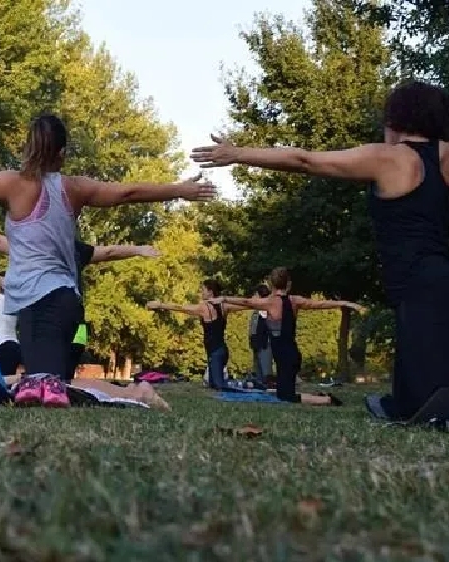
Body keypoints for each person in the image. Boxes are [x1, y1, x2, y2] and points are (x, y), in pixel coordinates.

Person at [0, 113, 207, 403]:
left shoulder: (14, 185)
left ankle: (136, 394)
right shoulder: (74, 187)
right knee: (45, 384)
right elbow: (127, 192)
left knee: (48, 387)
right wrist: (179, 189)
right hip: (63, 302)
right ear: (61, 153)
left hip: (43, 303)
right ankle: (131, 392)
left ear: (29, 147)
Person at [191, 80, 449, 420]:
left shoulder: (389, 157)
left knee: (424, 404)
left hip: (415, 282)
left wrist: (238, 154)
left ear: (394, 120)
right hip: (438, 276)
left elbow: (305, 160)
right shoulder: (444, 155)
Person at [0, 226, 161, 380]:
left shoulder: (34, 247)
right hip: (76, 319)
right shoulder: (75, 248)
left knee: (46, 367)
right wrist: (138, 250)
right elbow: (109, 252)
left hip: (45, 317)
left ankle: (51, 383)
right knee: (70, 359)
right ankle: (62, 383)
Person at [213, 267, 364, 405]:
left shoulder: (270, 302)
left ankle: (328, 400)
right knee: (283, 393)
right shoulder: (294, 301)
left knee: (286, 397)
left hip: (286, 357)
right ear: (288, 284)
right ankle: (320, 396)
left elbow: (246, 301)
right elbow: (321, 304)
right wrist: (347, 303)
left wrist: (223, 299)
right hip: (289, 354)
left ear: (271, 284)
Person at [147, 279, 236, 390]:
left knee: (219, 386)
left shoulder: (205, 308)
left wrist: (160, 305)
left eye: (203, 290)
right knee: (212, 384)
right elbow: (247, 304)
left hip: (216, 353)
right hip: (218, 350)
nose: (201, 292)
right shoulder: (224, 306)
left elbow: (180, 307)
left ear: (210, 292)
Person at [248, 284, 273, 384]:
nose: (252, 297)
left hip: (264, 342)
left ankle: (267, 384)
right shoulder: (257, 310)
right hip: (256, 342)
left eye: (255, 294)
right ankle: (259, 383)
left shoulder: (267, 309)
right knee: (257, 366)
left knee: (265, 367)